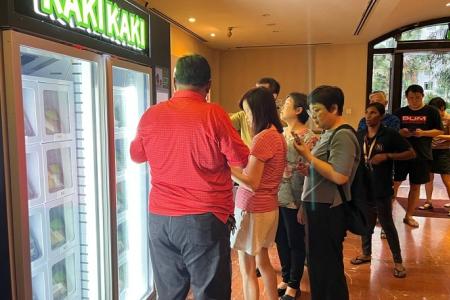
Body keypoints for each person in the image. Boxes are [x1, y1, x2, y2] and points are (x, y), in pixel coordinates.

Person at [129, 54, 249, 300]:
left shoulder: (151, 114)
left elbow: (136, 155)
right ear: (209, 85)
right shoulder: (214, 114)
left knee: (169, 294)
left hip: (160, 219)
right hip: (203, 218)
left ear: (174, 81)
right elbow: (241, 160)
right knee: (210, 293)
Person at [293, 85, 360, 300]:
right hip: (319, 205)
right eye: (311, 110)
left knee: (327, 267)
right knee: (318, 265)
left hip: (329, 209)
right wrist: (310, 170)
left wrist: (309, 157)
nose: (313, 116)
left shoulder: (343, 135)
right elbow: (326, 170)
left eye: (317, 110)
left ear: (334, 108)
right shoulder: (329, 133)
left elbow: (340, 176)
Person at [230, 87, 286, 300]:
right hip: (269, 207)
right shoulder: (277, 135)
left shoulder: (262, 138)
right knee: (264, 263)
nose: (247, 117)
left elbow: (252, 183)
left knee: (246, 269)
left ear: (259, 110)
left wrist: (226, 168)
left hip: (252, 208)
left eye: (248, 112)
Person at [350, 102, 415, 278]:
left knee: (387, 224)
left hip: (381, 188)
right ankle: (366, 254)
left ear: (381, 116)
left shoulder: (390, 135)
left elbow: (411, 153)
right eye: (366, 112)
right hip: (362, 187)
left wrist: (387, 156)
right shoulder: (360, 135)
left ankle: (398, 261)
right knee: (366, 222)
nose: (368, 116)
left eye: (373, 113)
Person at [276, 93, 318, 299]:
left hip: (296, 196)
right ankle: (285, 277)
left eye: (287, 104)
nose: (282, 107)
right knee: (280, 238)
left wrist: (304, 204)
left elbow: (313, 173)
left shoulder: (310, 137)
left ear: (299, 110)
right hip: (277, 195)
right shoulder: (278, 133)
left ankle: (294, 284)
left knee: (295, 240)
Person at [393, 84, 443, 228]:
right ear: (406, 98)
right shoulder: (399, 112)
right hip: (401, 154)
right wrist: (400, 132)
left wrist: (423, 133)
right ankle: (387, 215)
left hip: (421, 155)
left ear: (422, 96)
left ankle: (409, 215)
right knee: (395, 184)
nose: (414, 101)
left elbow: (439, 131)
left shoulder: (431, 111)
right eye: (411, 98)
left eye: (417, 98)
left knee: (415, 186)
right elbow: (391, 131)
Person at [230, 77, 281, 147]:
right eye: (255, 90)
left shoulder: (281, 118)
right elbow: (223, 125)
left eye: (261, 91)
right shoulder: (243, 115)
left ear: (273, 97)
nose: (256, 95)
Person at [423, 97, 450, 216]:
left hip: (444, 152)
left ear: (442, 108)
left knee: (446, 179)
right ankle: (428, 201)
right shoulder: (431, 118)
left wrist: (439, 135)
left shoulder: (448, 119)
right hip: (430, 150)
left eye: (436, 110)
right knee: (428, 177)